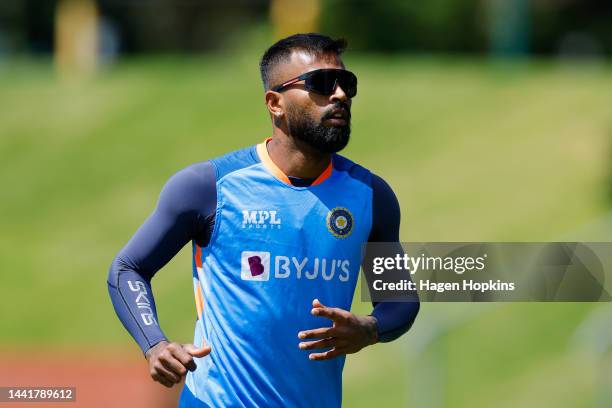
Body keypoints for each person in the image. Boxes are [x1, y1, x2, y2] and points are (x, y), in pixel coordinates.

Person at [108, 33, 419, 408]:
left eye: (346, 83)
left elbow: (400, 300)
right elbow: (128, 269)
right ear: (275, 104)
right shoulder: (208, 187)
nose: (339, 94)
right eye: (321, 84)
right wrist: (154, 344)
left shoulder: (373, 197)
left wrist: (371, 328)